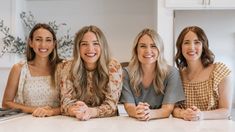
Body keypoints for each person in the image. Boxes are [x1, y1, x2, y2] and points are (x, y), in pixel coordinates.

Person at [56, 25, 122, 121]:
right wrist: (76, 111)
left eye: (95, 43)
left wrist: (90, 112)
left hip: (106, 122)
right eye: (84, 44)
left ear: (102, 46)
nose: (90, 49)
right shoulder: (67, 67)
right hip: (76, 120)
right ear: (78, 48)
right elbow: (66, 103)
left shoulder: (113, 66)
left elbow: (111, 105)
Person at [120, 28, 185, 121]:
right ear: (136, 50)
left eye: (153, 46)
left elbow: (167, 109)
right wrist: (139, 112)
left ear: (160, 50)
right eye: (143, 46)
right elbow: (129, 107)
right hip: (135, 123)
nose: (148, 50)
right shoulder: (126, 73)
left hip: (162, 124)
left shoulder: (172, 73)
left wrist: (149, 113)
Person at [173, 26, 232, 121]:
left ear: (203, 46)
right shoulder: (177, 76)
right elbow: (174, 108)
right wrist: (183, 113)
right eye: (186, 43)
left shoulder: (219, 70)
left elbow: (226, 111)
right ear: (180, 47)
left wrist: (201, 115)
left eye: (197, 42)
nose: (191, 47)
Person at [2, 23, 62, 117]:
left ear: (54, 44)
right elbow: (6, 103)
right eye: (38, 39)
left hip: (58, 122)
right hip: (25, 123)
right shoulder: (19, 69)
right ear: (30, 42)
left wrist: (51, 112)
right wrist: (35, 110)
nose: (43, 44)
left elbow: (70, 104)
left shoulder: (62, 69)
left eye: (48, 40)